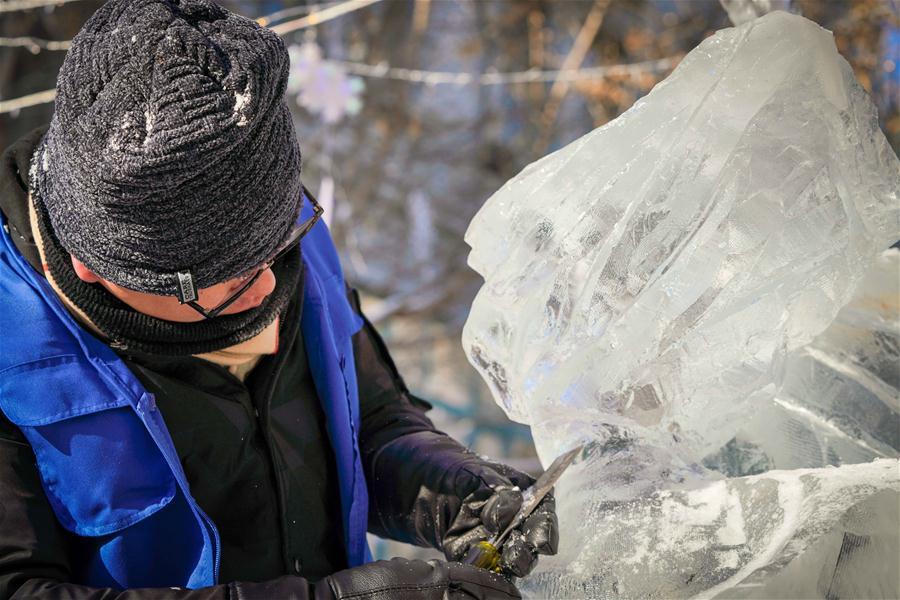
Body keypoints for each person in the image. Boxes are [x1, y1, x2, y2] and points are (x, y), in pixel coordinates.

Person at [0, 1, 559, 598]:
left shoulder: (273, 236)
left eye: (276, 246)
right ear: (97, 266)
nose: (271, 286)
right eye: (230, 277)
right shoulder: (14, 343)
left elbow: (367, 420)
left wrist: (447, 492)